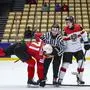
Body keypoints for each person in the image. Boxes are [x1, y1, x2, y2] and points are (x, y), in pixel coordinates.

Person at [57, 16, 90, 85]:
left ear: (72, 22)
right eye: (66, 22)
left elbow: (84, 34)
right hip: (68, 50)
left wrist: (86, 42)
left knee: (81, 63)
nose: (67, 23)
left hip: (78, 49)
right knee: (65, 64)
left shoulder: (79, 27)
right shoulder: (65, 29)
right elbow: (63, 39)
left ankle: (80, 78)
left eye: (69, 22)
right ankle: (60, 79)